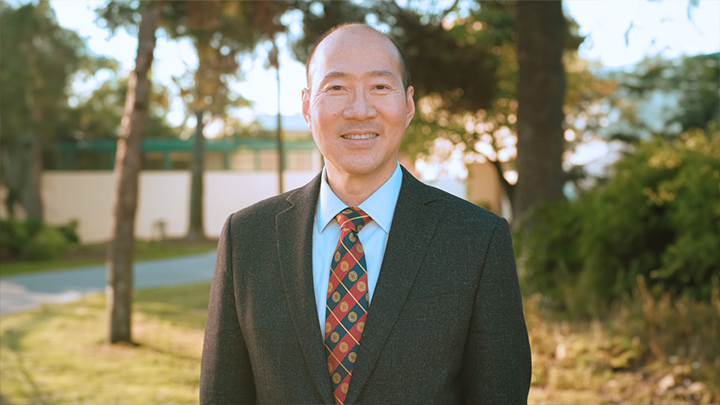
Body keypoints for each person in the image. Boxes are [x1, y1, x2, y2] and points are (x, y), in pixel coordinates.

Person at [200, 23, 531, 405]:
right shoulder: (246, 237)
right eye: (336, 87)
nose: (359, 110)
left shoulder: (477, 239)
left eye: (379, 87)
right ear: (307, 106)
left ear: (407, 105)